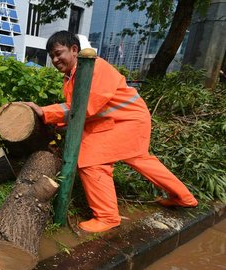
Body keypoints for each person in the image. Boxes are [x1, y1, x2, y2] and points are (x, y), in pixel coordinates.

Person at [22, 31, 198, 233]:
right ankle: (184, 197)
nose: (55, 59)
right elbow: (78, 110)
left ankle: (107, 216)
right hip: (125, 120)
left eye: (58, 53)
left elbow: (84, 107)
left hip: (125, 122)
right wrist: (64, 123)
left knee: (91, 160)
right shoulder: (72, 76)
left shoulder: (93, 67)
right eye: (51, 56)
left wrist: (44, 112)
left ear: (74, 50)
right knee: (141, 160)